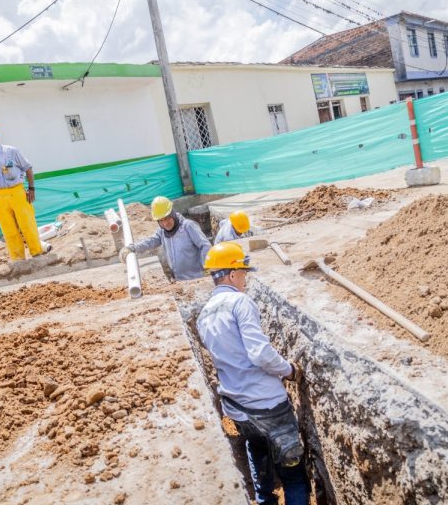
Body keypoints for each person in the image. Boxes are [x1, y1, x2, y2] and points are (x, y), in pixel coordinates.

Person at [197, 242, 309, 505]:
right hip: (267, 405)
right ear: (231, 274)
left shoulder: (203, 315)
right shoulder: (239, 302)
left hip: (237, 409)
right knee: (293, 476)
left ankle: (264, 499)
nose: (245, 279)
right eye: (243, 273)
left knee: (258, 452)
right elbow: (260, 353)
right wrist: (289, 370)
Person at [0, 120, 45, 261]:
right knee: (9, 229)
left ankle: (36, 252)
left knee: (27, 224)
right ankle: (18, 258)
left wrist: (31, 188)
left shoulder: (11, 151)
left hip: (17, 192)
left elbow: (27, 168)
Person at [118, 196, 211, 281]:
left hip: (198, 279)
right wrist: (131, 248)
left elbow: (205, 245)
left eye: (167, 218)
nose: (165, 223)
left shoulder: (188, 226)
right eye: (161, 220)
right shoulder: (162, 232)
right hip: (180, 281)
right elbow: (150, 241)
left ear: (172, 213)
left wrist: (207, 267)